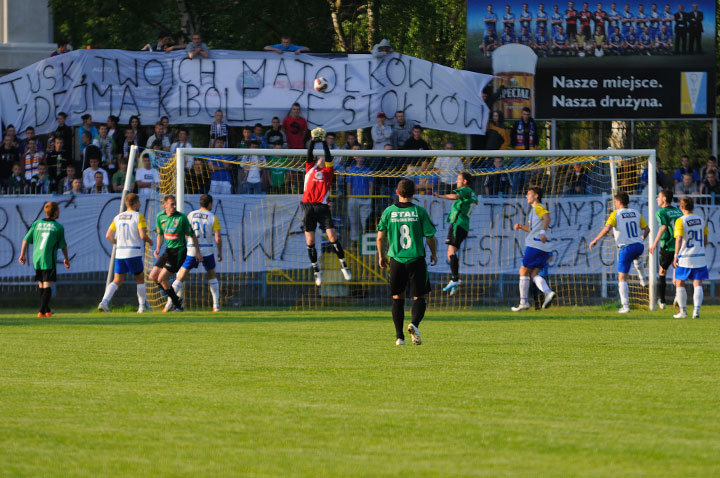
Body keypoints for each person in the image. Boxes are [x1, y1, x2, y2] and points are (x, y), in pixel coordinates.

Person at [377, 178, 437, 346]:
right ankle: (414, 324)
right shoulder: (419, 211)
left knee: (397, 297)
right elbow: (430, 236)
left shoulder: (389, 211)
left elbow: (380, 237)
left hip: (396, 260)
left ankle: (399, 337)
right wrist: (433, 253)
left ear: (397, 192)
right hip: (416, 259)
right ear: (414, 193)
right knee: (421, 296)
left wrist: (381, 256)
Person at [302, 128, 352, 286]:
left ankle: (343, 265)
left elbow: (329, 156)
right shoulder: (310, 168)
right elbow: (309, 154)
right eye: (319, 158)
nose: (321, 159)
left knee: (333, 237)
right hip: (308, 207)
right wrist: (313, 140)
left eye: (323, 158)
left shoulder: (328, 172)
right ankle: (317, 270)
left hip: (322, 207)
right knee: (310, 242)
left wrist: (323, 142)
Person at [589, 192, 649, 313]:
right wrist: (641, 239)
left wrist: (595, 240)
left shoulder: (615, 214)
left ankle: (625, 306)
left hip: (626, 248)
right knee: (636, 257)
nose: (614, 204)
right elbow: (647, 229)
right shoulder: (636, 213)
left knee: (622, 278)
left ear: (619, 202)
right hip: (639, 245)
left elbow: (607, 229)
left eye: (615, 202)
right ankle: (642, 278)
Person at [164, 194, 223, 313]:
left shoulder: (190, 215)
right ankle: (216, 306)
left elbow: (184, 231)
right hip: (207, 250)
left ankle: (168, 304)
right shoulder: (212, 217)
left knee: (180, 277)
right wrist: (220, 252)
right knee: (212, 276)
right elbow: (218, 238)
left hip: (191, 249)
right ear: (210, 203)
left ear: (201, 203)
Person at [98, 193, 153, 313]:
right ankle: (142, 306)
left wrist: (117, 243)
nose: (140, 204)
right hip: (133, 252)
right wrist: (150, 241)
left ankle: (104, 301)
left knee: (117, 280)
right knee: (139, 279)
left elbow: (108, 235)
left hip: (120, 253)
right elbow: (142, 235)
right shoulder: (138, 216)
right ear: (134, 203)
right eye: (138, 202)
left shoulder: (118, 217)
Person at [149, 195, 202, 312]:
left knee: (162, 278)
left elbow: (193, 235)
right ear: (165, 205)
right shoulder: (160, 217)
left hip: (179, 251)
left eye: (175, 204)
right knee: (153, 276)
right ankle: (175, 298)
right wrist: (158, 247)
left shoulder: (181, 218)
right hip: (168, 250)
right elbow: (160, 234)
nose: (174, 206)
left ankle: (177, 304)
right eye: (172, 204)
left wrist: (198, 252)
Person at [18, 202, 70, 318]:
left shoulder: (37, 224)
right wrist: (66, 259)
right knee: (48, 285)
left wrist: (22, 254)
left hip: (36, 258)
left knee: (41, 284)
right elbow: (63, 245)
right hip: (48, 259)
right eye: (58, 210)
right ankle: (41, 311)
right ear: (55, 212)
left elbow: (25, 239)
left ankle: (47, 311)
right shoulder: (58, 227)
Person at [511, 186, 556, 311]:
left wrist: (542, 232)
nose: (526, 196)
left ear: (536, 196)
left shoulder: (539, 207)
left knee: (523, 271)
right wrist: (521, 226)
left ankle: (523, 303)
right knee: (534, 273)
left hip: (535, 245)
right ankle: (548, 292)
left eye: (529, 193)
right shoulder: (534, 211)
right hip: (544, 247)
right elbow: (532, 229)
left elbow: (547, 217)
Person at [434, 172, 477, 295]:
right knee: (450, 253)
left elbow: (456, 196)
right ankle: (455, 279)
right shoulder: (472, 193)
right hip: (464, 225)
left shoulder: (466, 190)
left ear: (464, 182)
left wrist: (439, 195)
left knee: (451, 252)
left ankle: (455, 279)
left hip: (458, 224)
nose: (456, 181)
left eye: (458, 179)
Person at [672, 196, 708, 318]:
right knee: (697, 283)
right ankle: (696, 311)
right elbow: (705, 239)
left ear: (682, 207)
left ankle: (683, 312)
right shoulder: (700, 220)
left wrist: (676, 255)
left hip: (685, 257)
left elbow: (679, 239)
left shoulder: (681, 221)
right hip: (699, 256)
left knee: (680, 282)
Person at [648, 189, 682, 309]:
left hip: (667, 245)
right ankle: (678, 296)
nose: (657, 199)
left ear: (664, 199)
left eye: (659, 197)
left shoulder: (661, 212)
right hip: (680, 246)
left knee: (662, 272)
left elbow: (663, 227)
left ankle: (662, 301)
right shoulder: (678, 211)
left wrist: (654, 243)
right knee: (677, 272)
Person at [345, 155, 374, 244]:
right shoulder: (351, 170)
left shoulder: (368, 170)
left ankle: (365, 241)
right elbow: (348, 185)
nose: (360, 159)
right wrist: (350, 197)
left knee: (365, 221)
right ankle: (354, 240)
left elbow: (371, 185)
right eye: (359, 157)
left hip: (365, 199)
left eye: (362, 157)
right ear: (355, 158)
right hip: (353, 199)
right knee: (353, 221)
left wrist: (369, 197)